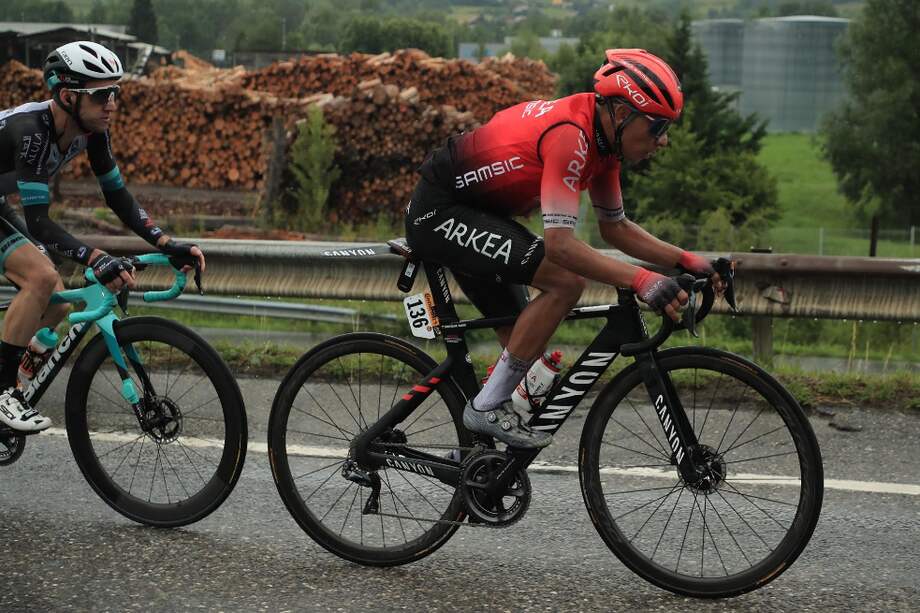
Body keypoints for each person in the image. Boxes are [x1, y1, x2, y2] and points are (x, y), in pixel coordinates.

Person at [405, 48, 725, 449]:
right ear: (622, 113)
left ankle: (479, 468)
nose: (664, 141)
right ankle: (485, 409)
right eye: (658, 126)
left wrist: (684, 259)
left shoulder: (604, 145)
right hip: (441, 212)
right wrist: (643, 279)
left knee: (523, 342)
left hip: (477, 213)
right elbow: (560, 248)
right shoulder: (571, 136)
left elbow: (616, 228)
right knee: (564, 283)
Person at [0, 41, 205, 432]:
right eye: (102, 95)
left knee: (56, 297)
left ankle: (19, 368)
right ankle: (2, 390)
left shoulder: (92, 131)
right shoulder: (32, 132)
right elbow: (40, 223)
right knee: (40, 278)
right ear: (67, 96)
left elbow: (117, 197)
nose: (112, 103)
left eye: (116, 93)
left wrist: (165, 243)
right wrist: (96, 257)